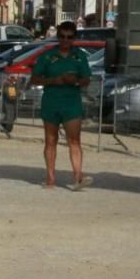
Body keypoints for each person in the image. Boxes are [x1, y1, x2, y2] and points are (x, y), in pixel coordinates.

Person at [29, 21, 92, 190]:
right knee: (51, 140)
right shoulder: (48, 56)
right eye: (62, 37)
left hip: (71, 102)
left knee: (74, 140)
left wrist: (76, 81)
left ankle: (78, 176)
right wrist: (54, 80)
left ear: (74, 38)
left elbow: (87, 79)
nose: (65, 40)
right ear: (57, 37)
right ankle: (50, 178)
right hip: (51, 101)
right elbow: (34, 78)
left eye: (69, 37)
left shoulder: (79, 56)